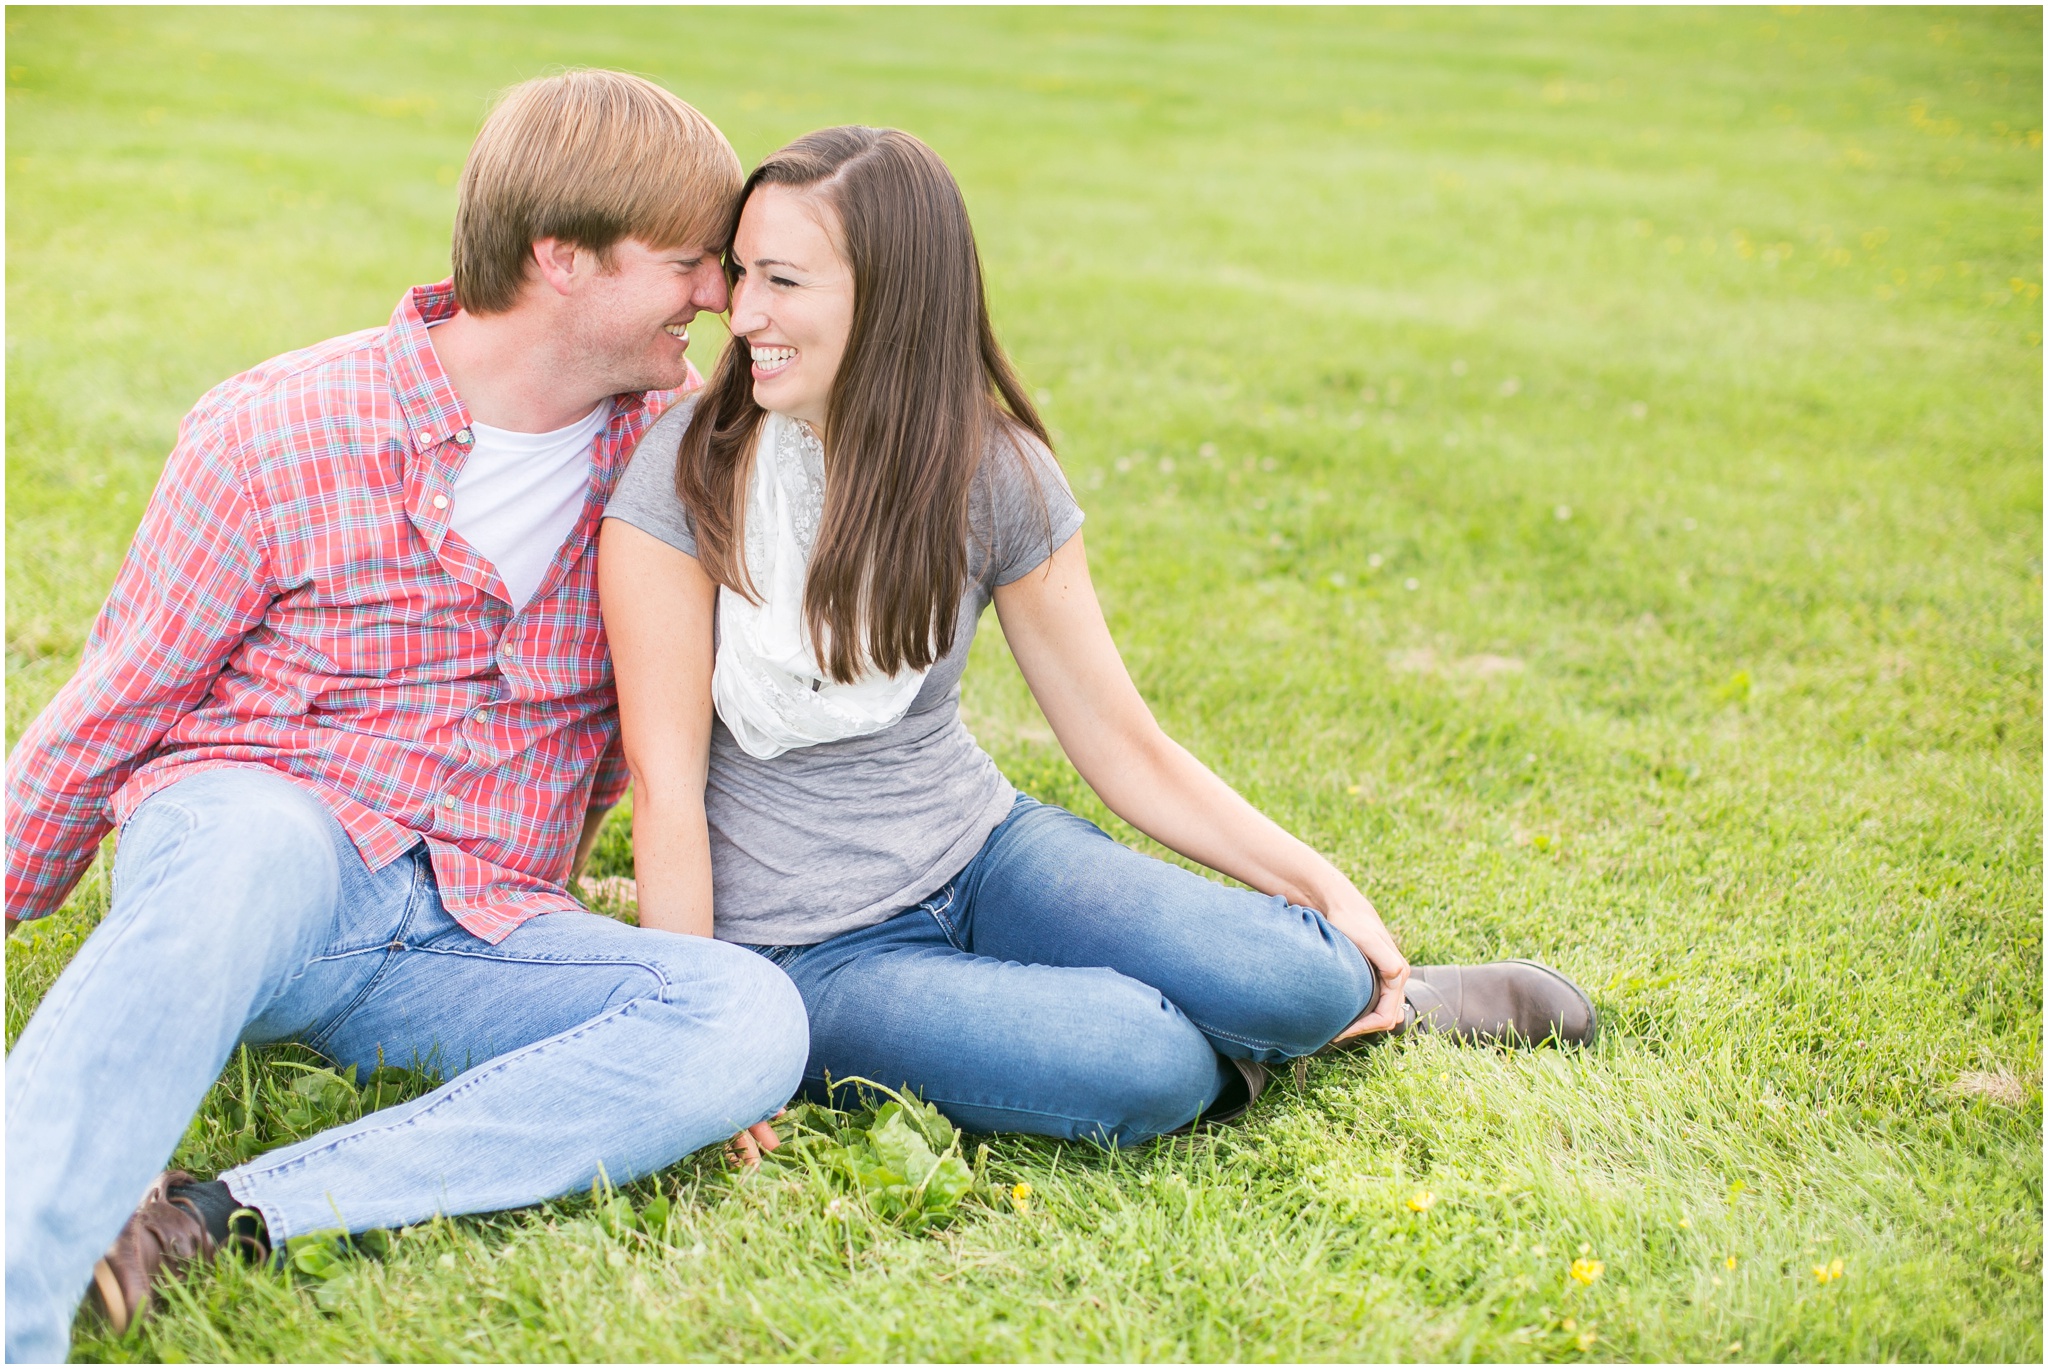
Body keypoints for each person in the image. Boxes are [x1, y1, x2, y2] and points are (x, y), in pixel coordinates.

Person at [3, 71, 808, 1363]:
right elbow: (119, 698)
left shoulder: (675, 461)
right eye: (690, 263)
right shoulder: (276, 430)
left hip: (470, 927)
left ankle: (219, 1216)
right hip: (263, 857)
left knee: (744, 1017)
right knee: (255, 838)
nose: (718, 295)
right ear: (562, 259)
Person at [600, 125, 1595, 1152]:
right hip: (812, 951)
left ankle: (1334, 1005)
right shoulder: (683, 477)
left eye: (782, 281)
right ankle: (1184, 1041)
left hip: (985, 854)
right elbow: (662, 777)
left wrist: (1325, 890)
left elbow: (1122, 744)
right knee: (1142, 1063)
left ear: (891, 298)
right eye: (741, 271)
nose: (741, 310)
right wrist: (707, 1048)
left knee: (1302, 971)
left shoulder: (989, 470)